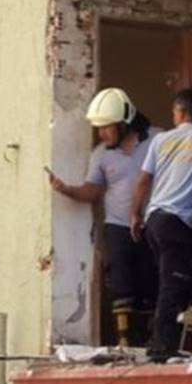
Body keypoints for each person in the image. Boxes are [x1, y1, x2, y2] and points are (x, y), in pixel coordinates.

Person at [49, 87, 158, 347]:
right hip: (117, 226)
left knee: (151, 281)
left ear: (123, 124)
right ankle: (125, 343)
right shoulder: (101, 155)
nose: (101, 134)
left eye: (106, 128)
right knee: (120, 283)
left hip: (151, 223)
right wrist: (66, 189)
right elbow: (93, 191)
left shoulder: (157, 141)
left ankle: (152, 341)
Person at [131, 89, 192, 362]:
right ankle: (161, 346)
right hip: (177, 223)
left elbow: (143, 180)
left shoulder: (161, 140)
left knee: (171, 281)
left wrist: (135, 215)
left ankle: (164, 340)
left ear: (179, 113)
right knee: (174, 283)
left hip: (155, 219)